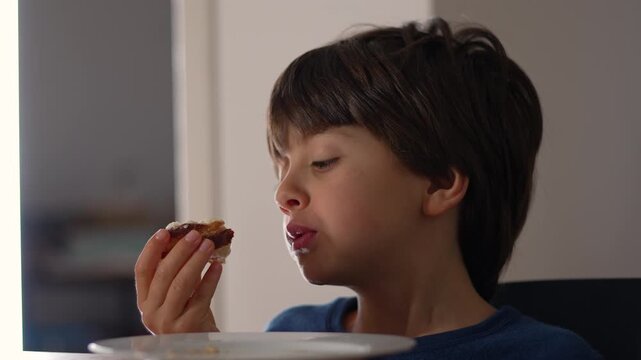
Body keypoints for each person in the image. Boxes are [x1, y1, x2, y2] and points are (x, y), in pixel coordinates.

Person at [134, 17, 602, 359]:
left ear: (439, 183)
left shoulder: (545, 355)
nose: (284, 194)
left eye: (323, 161)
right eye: (281, 165)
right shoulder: (291, 338)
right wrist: (193, 351)